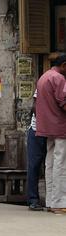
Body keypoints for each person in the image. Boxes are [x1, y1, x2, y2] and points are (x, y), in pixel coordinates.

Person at [35, 54, 66, 214]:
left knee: (50, 163)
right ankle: (59, 203)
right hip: (60, 127)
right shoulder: (59, 78)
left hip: (47, 127)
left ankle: (50, 201)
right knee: (61, 164)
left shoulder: (44, 77)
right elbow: (64, 102)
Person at [26, 90, 47, 211]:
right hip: (36, 130)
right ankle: (33, 199)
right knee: (34, 165)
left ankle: (52, 200)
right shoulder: (44, 84)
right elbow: (35, 106)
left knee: (51, 165)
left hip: (52, 131)